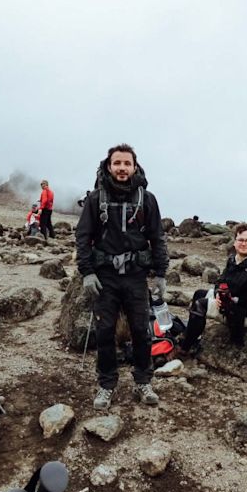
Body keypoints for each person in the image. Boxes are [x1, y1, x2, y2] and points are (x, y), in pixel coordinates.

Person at [76, 144, 169, 410]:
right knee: (104, 332)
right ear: (108, 166)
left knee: (141, 331)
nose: (122, 168)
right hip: (105, 278)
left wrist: (160, 274)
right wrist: (87, 272)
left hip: (136, 277)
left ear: (134, 167)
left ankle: (143, 381)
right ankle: (106, 385)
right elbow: (83, 237)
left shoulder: (147, 199)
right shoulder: (96, 199)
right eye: (117, 163)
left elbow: (157, 237)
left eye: (127, 163)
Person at [180, 223, 247, 355]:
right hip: (230, 301)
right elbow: (221, 281)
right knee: (199, 293)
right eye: (240, 240)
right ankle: (192, 335)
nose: (243, 243)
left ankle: (184, 348)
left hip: (244, 313)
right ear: (235, 242)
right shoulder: (233, 259)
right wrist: (219, 294)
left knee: (199, 305)